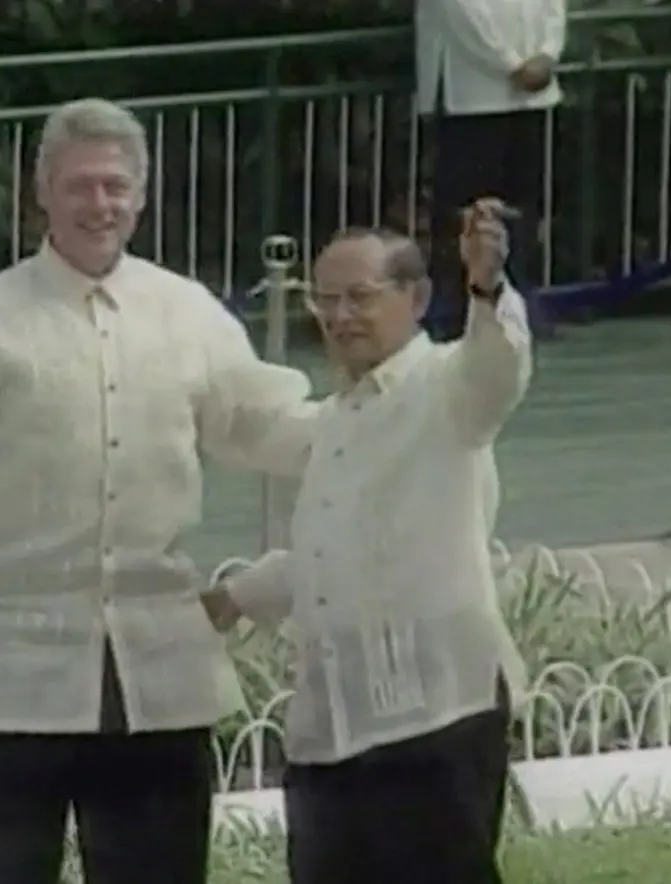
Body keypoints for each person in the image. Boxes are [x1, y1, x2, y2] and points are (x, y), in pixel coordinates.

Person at [0, 97, 319, 884]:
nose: (100, 204)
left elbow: (265, 423)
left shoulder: (187, 313)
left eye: (116, 186)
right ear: (43, 193)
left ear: (140, 195)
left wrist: (391, 418)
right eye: (81, 186)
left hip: (158, 669)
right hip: (10, 671)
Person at [203, 200, 531, 884]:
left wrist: (487, 287)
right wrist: (236, 596)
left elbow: (497, 370)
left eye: (359, 297)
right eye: (325, 300)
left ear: (416, 299)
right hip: (332, 726)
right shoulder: (338, 419)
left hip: (437, 712)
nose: (340, 316)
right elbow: (339, 546)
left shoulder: (447, 389)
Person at [417, 0, 568, 340]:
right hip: (468, 95)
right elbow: (461, 14)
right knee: (465, 205)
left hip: (532, 97)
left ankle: (517, 299)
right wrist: (512, 64)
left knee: (522, 201)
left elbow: (552, 8)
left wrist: (547, 54)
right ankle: (456, 306)